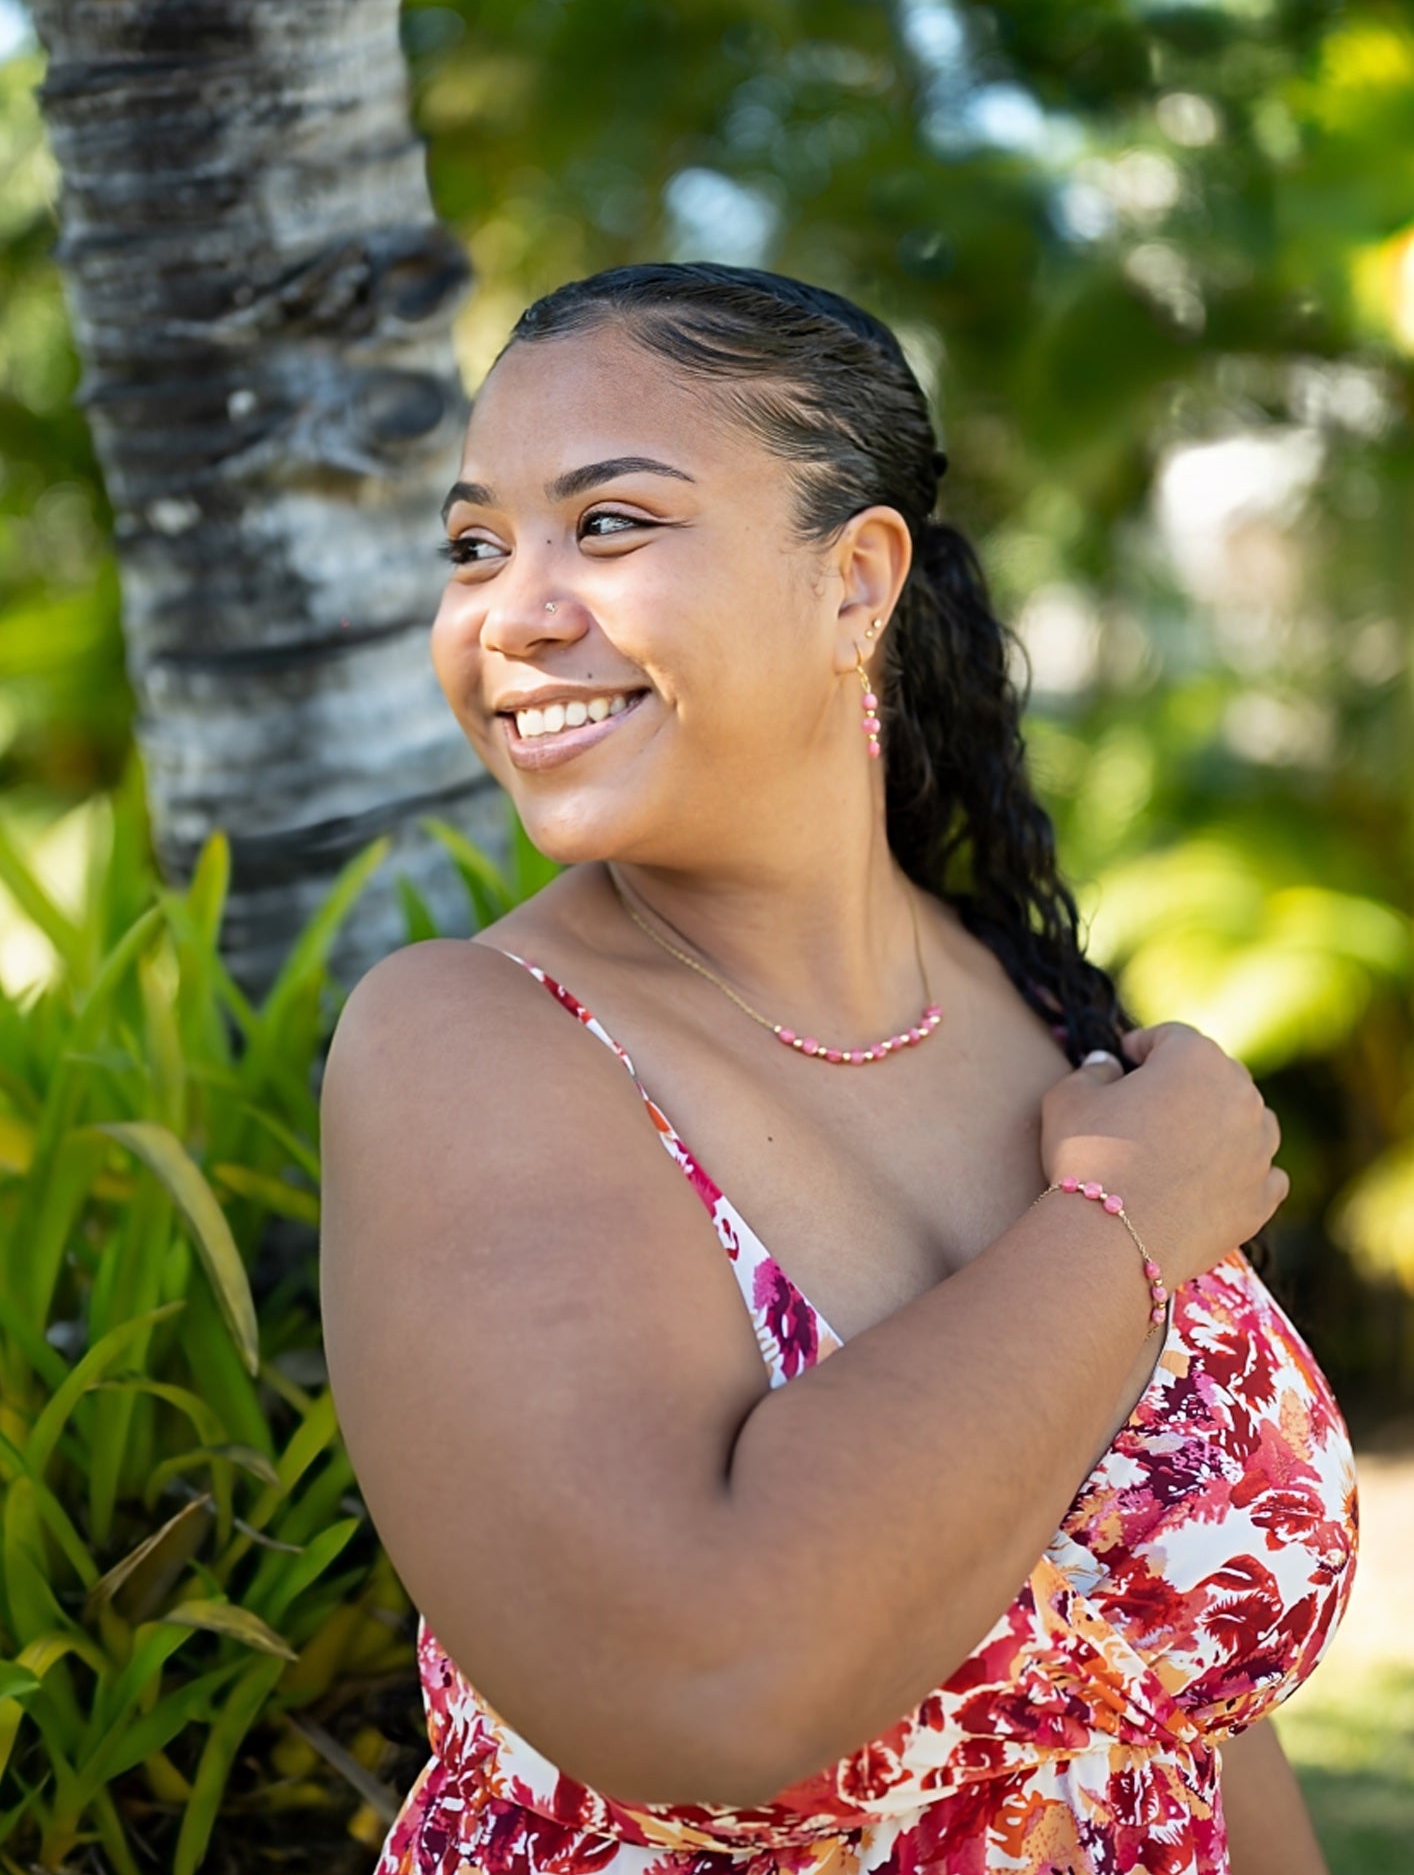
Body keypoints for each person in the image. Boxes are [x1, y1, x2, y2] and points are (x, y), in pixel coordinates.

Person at [318, 263, 1359, 1875]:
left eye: (606, 526)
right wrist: (1125, 1228)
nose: (509, 613)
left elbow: (1181, 1713)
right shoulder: (471, 1040)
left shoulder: (1039, 1013)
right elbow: (710, 1675)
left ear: (856, 584)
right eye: (474, 546)